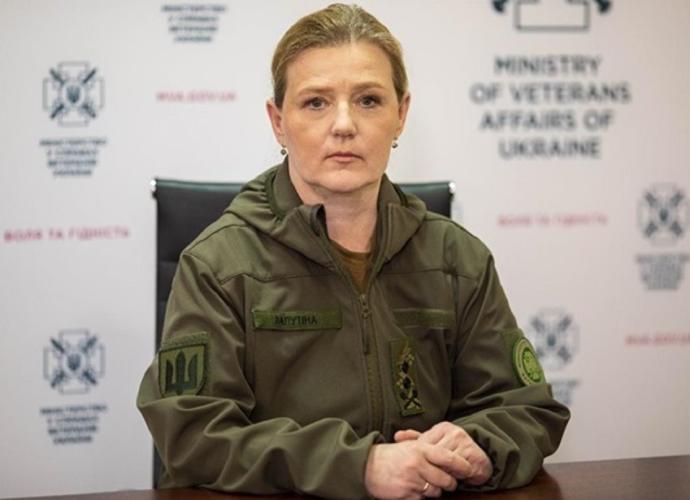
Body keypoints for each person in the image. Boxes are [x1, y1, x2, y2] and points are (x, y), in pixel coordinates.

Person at [137, 4, 570, 499]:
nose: (344, 124)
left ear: (400, 114)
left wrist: (480, 445)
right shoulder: (218, 265)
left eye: (368, 100)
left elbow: (527, 408)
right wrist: (359, 466)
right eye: (316, 102)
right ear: (278, 122)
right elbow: (192, 436)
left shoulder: (457, 260)